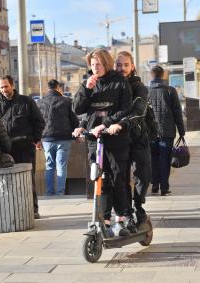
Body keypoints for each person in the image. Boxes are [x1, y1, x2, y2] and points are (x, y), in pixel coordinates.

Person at [72, 48, 132, 237]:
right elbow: (77, 108)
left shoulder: (120, 83)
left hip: (115, 139)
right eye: (92, 64)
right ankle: (104, 220)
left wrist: (106, 124)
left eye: (98, 64)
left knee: (117, 178)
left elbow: (124, 109)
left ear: (106, 63)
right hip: (94, 140)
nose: (95, 67)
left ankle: (122, 218)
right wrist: (86, 89)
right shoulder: (89, 83)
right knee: (100, 179)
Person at [0, 75, 45, 219]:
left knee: (28, 179)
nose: (3, 90)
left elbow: (39, 121)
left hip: (25, 147)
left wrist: (36, 139)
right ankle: (12, 210)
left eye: (6, 87)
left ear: (12, 86)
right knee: (7, 180)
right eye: (1, 87)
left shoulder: (26, 102)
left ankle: (32, 209)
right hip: (5, 149)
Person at [111, 51, 151, 231]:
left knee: (143, 172)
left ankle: (138, 203)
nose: (122, 68)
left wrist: (122, 123)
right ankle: (126, 210)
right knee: (121, 176)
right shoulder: (112, 86)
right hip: (118, 138)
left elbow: (139, 110)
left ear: (132, 66)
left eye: (126, 65)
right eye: (119, 65)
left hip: (137, 134)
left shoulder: (139, 87)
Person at [37, 79, 79, 196]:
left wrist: (37, 139)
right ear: (58, 88)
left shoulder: (40, 102)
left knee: (49, 166)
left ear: (48, 88)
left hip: (47, 139)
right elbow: (73, 120)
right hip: (64, 138)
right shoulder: (66, 101)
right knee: (61, 166)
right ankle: (60, 193)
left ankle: (49, 192)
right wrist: (76, 135)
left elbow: (37, 122)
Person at [149, 65, 185, 196]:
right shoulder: (170, 90)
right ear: (163, 75)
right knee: (165, 159)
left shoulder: (146, 91)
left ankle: (154, 184)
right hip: (167, 131)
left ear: (151, 76)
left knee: (153, 158)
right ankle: (164, 187)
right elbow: (177, 113)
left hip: (150, 132)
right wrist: (181, 131)